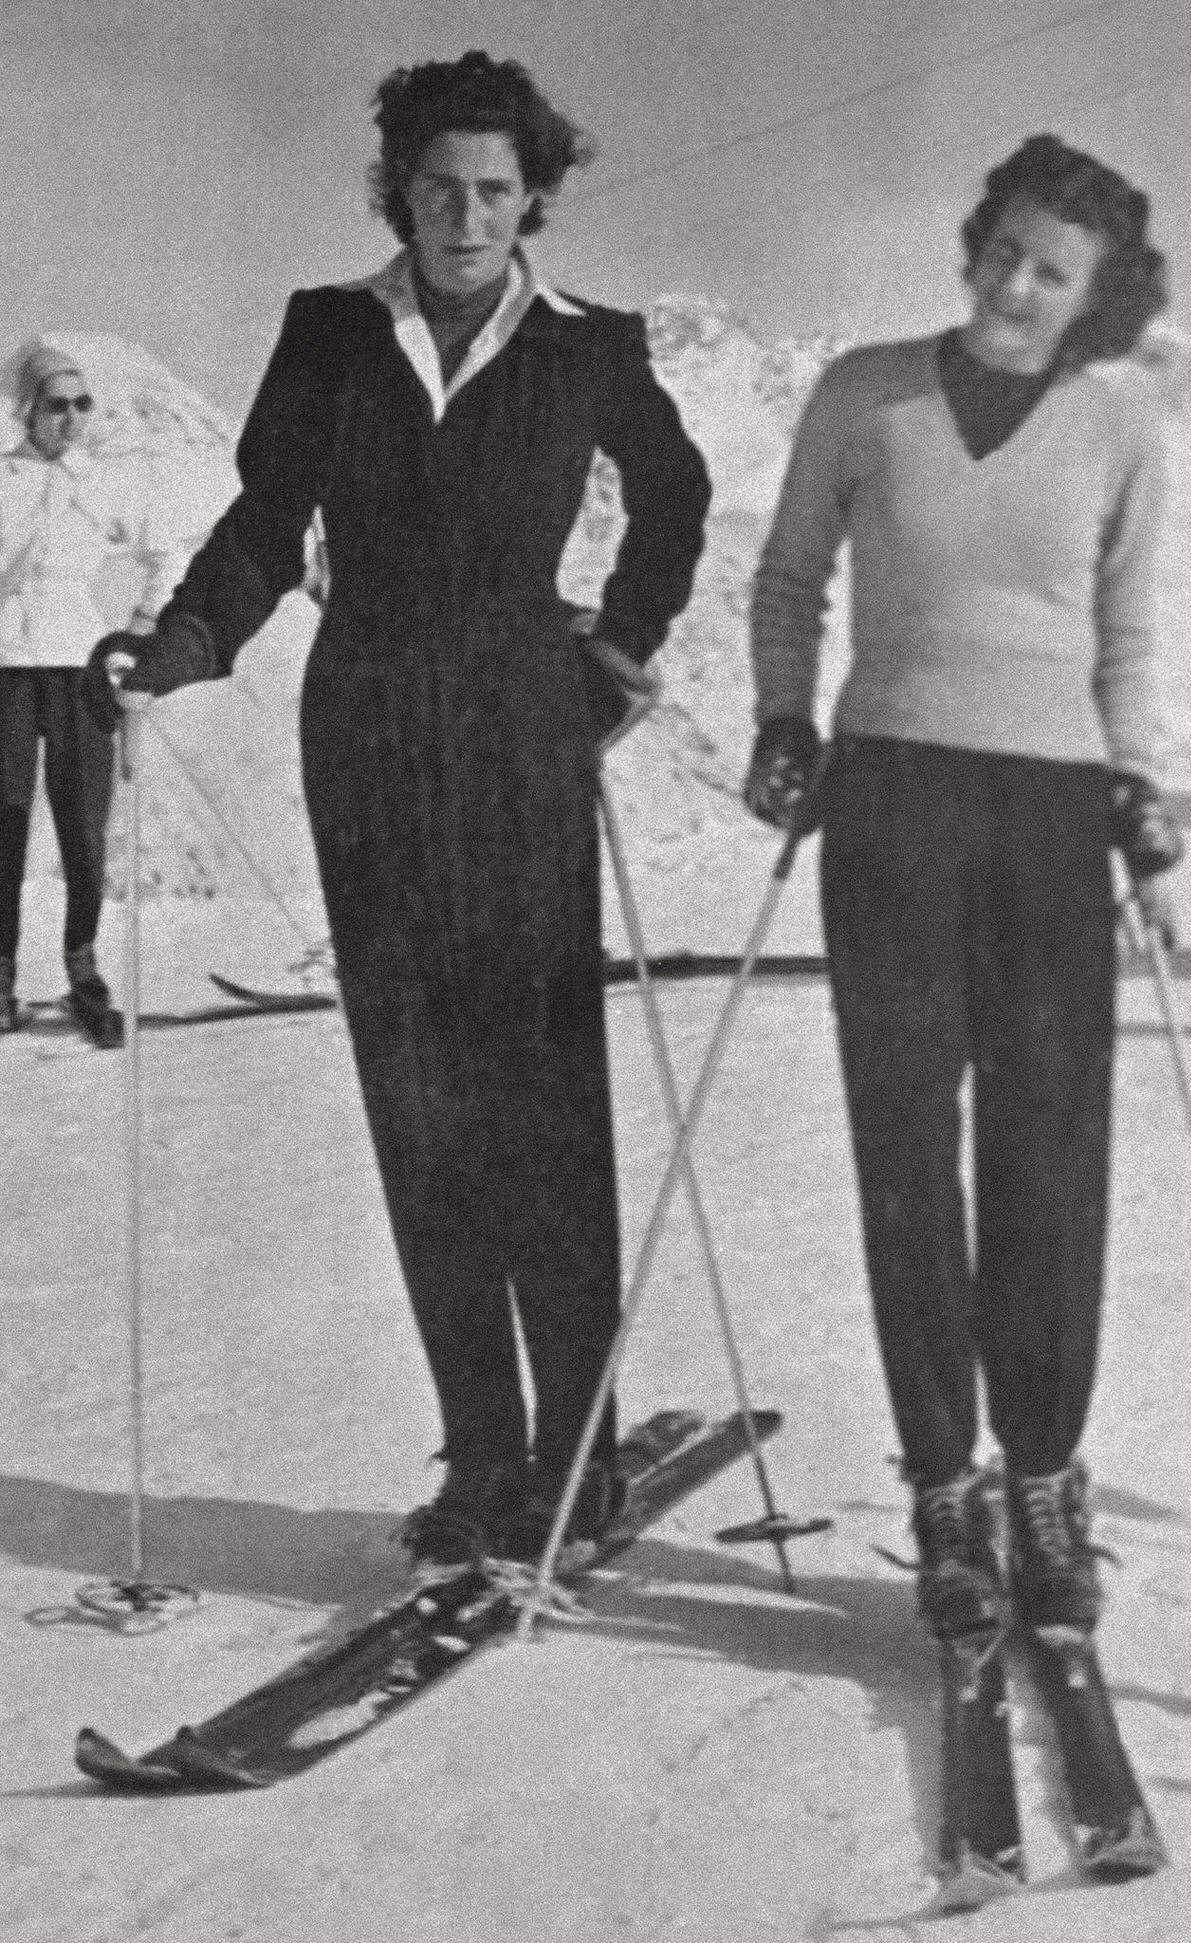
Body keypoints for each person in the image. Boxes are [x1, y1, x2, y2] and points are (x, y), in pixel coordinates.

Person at [84, 52, 711, 1566]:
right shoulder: (329, 336)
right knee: (417, 1095)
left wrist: (615, 656)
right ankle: (484, 1452)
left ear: (533, 198)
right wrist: (177, 645)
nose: (466, 215)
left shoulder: (587, 346)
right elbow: (262, 522)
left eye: (496, 189)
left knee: (541, 1095)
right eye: (439, 188)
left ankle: (577, 1444)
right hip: (364, 721)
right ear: (399, 193)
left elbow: (674, 496)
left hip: (516, 727)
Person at [744, 134, 1183, 1642]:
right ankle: (943, 1481)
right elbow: (791, 576)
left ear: (1093, 297)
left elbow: (1123, 637)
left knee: (1051, 1148)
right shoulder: (867, 391)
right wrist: (786, 718)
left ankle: (1046, 1477)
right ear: (974, 239)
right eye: (1001, 247)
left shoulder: (1121, 426)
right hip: (893, 800)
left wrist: (1138, 781)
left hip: (1054, 813)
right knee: (905, 1144)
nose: (1012, 283)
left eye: (1049, 270)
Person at [0, 345, 179, 1046]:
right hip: (6, 670)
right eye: (56, 403)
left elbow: (169, 555)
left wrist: (136, 632)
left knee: (83, 832)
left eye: (82, 403)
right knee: (4, 830)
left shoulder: (108, 484)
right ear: (27, 409)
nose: (72, 417)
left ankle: (83, 970)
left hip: (78, 673)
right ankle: (2, 974)